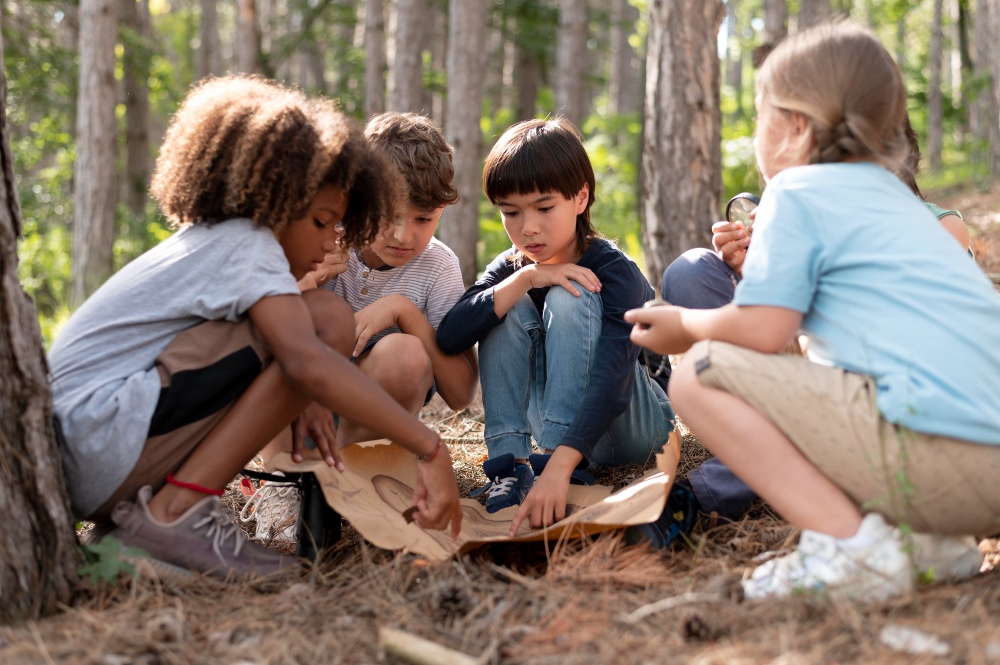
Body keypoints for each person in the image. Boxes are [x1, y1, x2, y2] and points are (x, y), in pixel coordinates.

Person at [628, 22, 1000, 601]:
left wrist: (685, 326)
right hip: (986, 477)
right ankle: (928, 545)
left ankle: (852, 548)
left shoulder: (796, 192)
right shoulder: (907, 210)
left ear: (795, 127)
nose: (756, 133)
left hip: (932, 463)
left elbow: (763, 328)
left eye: (759, 116)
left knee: (699, 375)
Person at [49, 77, 462, 580]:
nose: (334, 239)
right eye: (321, 221)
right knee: (320, 323)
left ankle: (147, 523)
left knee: (322, 319)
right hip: (97, 442)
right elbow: (306, 361)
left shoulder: (220, 242)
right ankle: (173, 515)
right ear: (273, 202)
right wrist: (430, 446)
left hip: (94, 453)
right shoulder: (250, 246)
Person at [658, 96, 977, 544]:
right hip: (799, 378)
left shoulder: (940, 228)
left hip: (877, 398)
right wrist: (759, 271)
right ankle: (760, 451)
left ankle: (721, 482)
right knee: (693, 271)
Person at [245, 112, 479, 543]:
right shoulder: (321, 237)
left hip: (367, 418)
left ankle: (349, 476)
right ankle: (282, 482)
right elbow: (255, 329)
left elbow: (461, 393)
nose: (402, 235)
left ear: (442, 211)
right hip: (295, 406)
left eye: (422, 220)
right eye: (387, 214)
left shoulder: (438, 267)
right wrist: (309, 279)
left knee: (405, 354)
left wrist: (405, 311)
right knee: (285, 330)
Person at [436, 118, 675, 535]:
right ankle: (509, 467)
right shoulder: (513, 266)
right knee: (502, 303)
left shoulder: (616, 270)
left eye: (544, 208)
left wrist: (561, 463)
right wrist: (526, 278)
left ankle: (554, 462)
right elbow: (449, 336)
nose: (528, 227)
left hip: (631, 425)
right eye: (511, 212)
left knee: (571, 292)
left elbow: (615, 375)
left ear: (581, 197)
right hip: (556, 418)